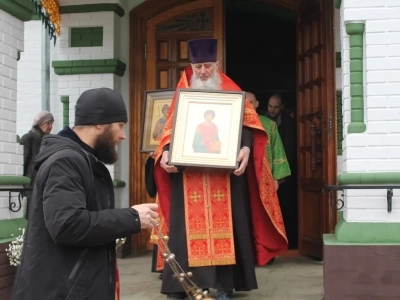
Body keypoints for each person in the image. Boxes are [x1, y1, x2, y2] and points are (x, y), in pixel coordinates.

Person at [152, 38, 288, 300]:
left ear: (216, 64)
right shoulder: (183, 93)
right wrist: (166, 153)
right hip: (188, 177)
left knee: (229, 230)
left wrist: (246, 149)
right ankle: (186, 286)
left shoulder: (230, 91)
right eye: (197, 66)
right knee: (185, 233)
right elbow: (168, 134)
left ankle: (225, 286)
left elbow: (249, 128)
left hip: (225, 179)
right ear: (191, 65)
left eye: (207, 66)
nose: (202, 71)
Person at [12, 88, 159, 300]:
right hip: (62, 292)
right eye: (120, 126)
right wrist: (132, 217)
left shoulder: (81, 159)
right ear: (99, 123)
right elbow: (67, 225)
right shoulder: (65, 161)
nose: (123, 135)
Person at [265, 93, 298, 249]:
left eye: (275, 107)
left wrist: (280, 173)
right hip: (264, 173)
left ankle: (288, 243)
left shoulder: (289, 123)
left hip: (284, 173)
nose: (272, 110)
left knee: (286, 208)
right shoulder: (262, 121)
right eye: (270, 106)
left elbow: (289, 150)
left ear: (282, 107)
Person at [246, 92, 290, 191]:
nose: (247, 106)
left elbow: (277, 151)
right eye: (245, 103)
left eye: (250, 102)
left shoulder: (269, 124)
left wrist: (275, 179)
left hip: (263, 174)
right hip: (240, 174)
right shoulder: (233, 121)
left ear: (256, 104)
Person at [19, 110, 54, 219]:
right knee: (31, 214)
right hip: (31, 184)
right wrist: (22, 184)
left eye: (51, 124)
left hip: (45, 183)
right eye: (48, 123)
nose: (50, 127)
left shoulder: (49, 141)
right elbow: (22, 163)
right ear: (40, 124)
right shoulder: (28, 138)